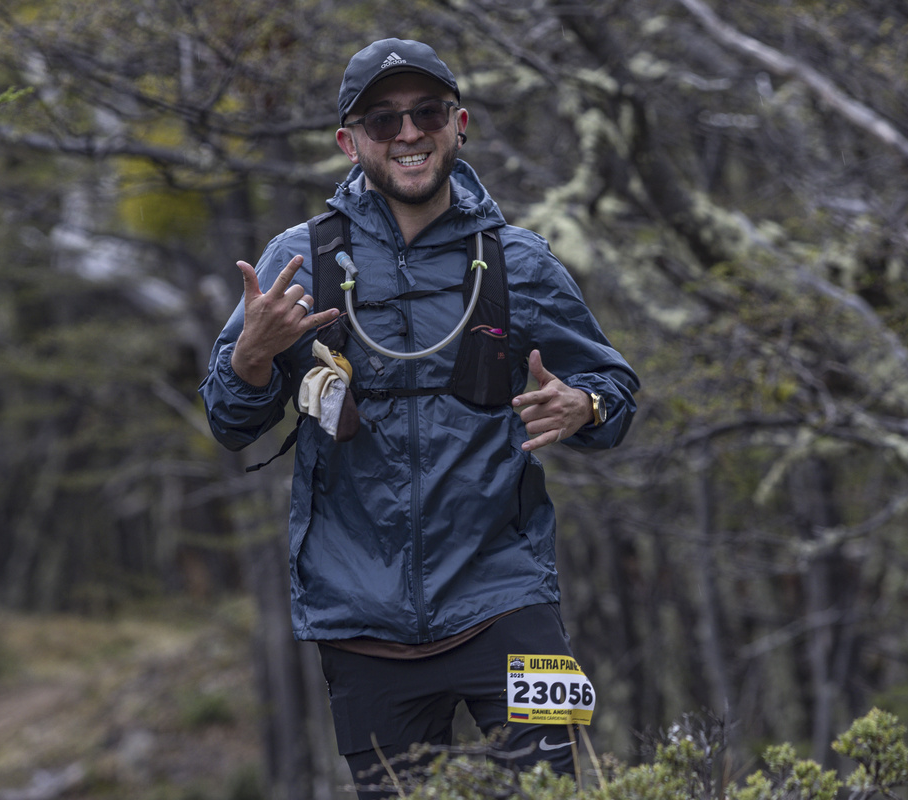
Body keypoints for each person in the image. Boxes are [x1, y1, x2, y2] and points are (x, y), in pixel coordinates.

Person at [199, 38, 639, 798]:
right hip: (359, 618)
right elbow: (227, 420)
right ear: (350, 142)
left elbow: (615, 390)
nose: (408, 133)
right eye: (383, 119)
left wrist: (585, 404)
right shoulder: (298, 261)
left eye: (427, 112)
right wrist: (252, 358)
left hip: (510, 600)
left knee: (556, 791)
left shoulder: (519, 261)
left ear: (458, 124)